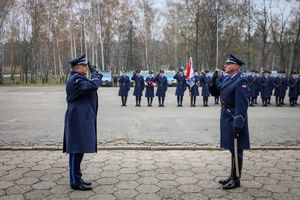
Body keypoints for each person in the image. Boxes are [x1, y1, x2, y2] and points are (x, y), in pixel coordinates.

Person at [63, 54, 103, 190]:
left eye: (87, 65)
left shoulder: (79, 78)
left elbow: (92, 84)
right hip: (77, 119)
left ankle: (78, 178)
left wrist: (94, 74)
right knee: (75, 150)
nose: (87, 67)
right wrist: (95, 75)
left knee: (79, 150)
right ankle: (75, 182)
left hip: (81, 118)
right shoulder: (76, 80)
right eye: (84, 66)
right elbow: (93, 86)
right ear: (77, 67)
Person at [218, 54, 250, 190]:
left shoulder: (241, 81)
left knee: (237, 150)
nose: (225, 65)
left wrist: (238, 125)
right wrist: (214, 81)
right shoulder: (229, 78)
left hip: (234, 119)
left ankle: (236, 179)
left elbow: (242, 106)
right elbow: (218, 90)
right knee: (232, 149)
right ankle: (232, 176)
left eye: (227, 63)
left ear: (235, 66)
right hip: (226, 117)